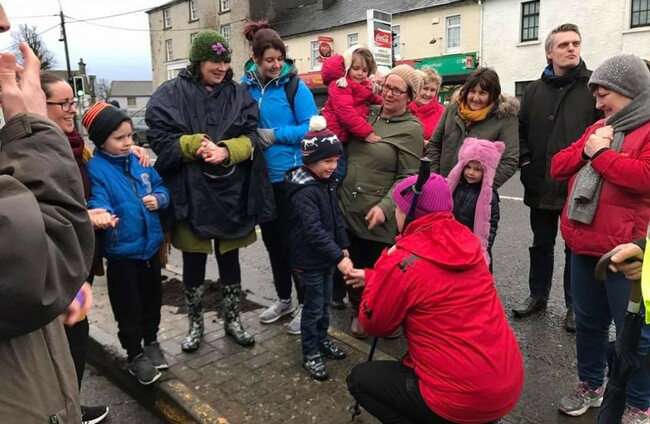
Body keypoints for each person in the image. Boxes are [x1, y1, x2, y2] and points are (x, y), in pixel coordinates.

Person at [345, 173, 524, 424]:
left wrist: (384, 267)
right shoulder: (466, 242)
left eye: (398, 208)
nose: (395, 213)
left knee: (360, 379)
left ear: (411, 214)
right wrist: (376, 277)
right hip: (505, 383)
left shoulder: (402, 260)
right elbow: (430, 282)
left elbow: (375, 324)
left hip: (459, 397)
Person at [146, 30, 271, 351]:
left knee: (230, 258)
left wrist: (227, 150)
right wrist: (192, 144)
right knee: (193, 260)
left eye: (226, 61)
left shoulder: (239, 94)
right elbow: (158, 137)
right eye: (215, 61)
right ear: (198, 61)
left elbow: (253, 137)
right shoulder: (171, 94)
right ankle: (195, 324)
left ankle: (233, 319)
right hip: (191, 192)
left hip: (231, 191)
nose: (221, 67)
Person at [0, 9, 94, 423]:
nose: (4, 21)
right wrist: (33, 130)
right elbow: (33, 274)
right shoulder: (36, 139)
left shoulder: (70, 145)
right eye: (64, 103)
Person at [550, 54, 650, 420]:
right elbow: (558, 167)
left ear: (630, 91)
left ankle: (639, 403)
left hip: (627, 254)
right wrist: (587, 147)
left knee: (634, 334)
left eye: (603, 94)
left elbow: (645, 178)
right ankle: (591, 384)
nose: (598, 103)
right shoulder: (599, 127)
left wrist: (602, 154)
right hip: (584, 246)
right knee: (588, 323)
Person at [513, 24, 602, 332]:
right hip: (539, 180)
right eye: (563, 44)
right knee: (541, 243)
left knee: (575, 248)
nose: (571, 48)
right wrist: (526, 161)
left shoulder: (593, 86)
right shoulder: (534, 90)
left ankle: (574, 305)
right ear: (549, 52)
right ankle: (538, 295)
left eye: (575, 43)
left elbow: (604, 130)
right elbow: (520, 129)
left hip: (578, 184)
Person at [83, 102, 170, 385]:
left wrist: (160, 199)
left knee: (152, 299)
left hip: (150, 247)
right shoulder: (96, 168)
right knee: (128, 306)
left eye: (130, 136)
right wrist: (102, 215)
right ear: (101, 140)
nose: (127, 142)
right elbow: (98, 198)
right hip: (122, 253)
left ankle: (151, 342)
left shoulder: (138, 160)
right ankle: (134, 354)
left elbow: (160, 186)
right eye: (119, 138)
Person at [242, 20, 318, 335]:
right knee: (273, 244)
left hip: (291, 177)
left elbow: (312, 126)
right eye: (269, 59)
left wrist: (275, 135)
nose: (276, 65)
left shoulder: (294, 86)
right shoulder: (244, 87)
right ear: (256, 59)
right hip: (261, 179)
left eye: (280, 59)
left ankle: (305, 305)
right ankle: (284, 299)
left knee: (295, 245)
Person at [337, 64, 424, 338]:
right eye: (386, 86)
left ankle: (380, 312)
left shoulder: (411, 128)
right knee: (351, 262)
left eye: (397, 90)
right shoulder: (368, 113)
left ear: (409, 97)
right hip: (346, 205)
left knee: (376, 267)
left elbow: (408, 176)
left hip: (377, 212)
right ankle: (357, 309)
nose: (388, 94)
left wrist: (385, 207)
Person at [286, 116, 352, 380]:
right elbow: (313, 230)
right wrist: (338, 256)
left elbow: (335, 217)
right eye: (327, 161)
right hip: (309, 259)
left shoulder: (327, 182)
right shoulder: (304, 190)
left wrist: (343, 244)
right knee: (313, 308)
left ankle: (322, 339)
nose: (333, 167)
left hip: (325, 257)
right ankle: (310, 352)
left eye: (335, 161)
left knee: (324, 304)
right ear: (310, 160)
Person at [425, 67, 519, 188]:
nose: (475, 98)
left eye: (482, 93)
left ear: (492, 95)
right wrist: (435, 177)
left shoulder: (505, 118)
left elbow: (509, 161)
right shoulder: (453, 109)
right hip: (442, 186)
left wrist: (482, 188)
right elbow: (434, 145)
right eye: (472, 91)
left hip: (474, 193)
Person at [446, 137, 504, 269]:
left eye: (477, 170)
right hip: (449, 241)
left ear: (486, 172)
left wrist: (485, 246)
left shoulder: (489, 196)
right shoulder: (453, 187)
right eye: (468, 167)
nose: (471, 173)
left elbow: (491, 224)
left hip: (471, 247)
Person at [408, 68, 445, 146]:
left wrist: (429, 145)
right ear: (415, 88)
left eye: (432, 90)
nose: (428, 94)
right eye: (425, 88)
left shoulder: (443, 112)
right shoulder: (402, 108)